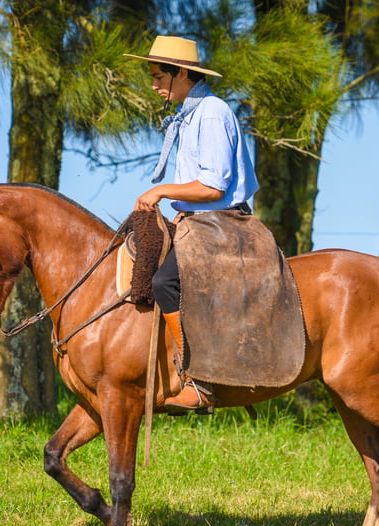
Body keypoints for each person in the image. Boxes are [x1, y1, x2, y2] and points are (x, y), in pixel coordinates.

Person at [124, 36, 259, 412]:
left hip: (222, 221)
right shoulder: (190, 113)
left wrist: (162, 192)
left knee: (165, 281)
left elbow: (213, 185)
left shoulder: (211, 112)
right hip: (198, 219)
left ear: (181, 72)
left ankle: (199, 383)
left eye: (157, 76)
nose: (153, 85)